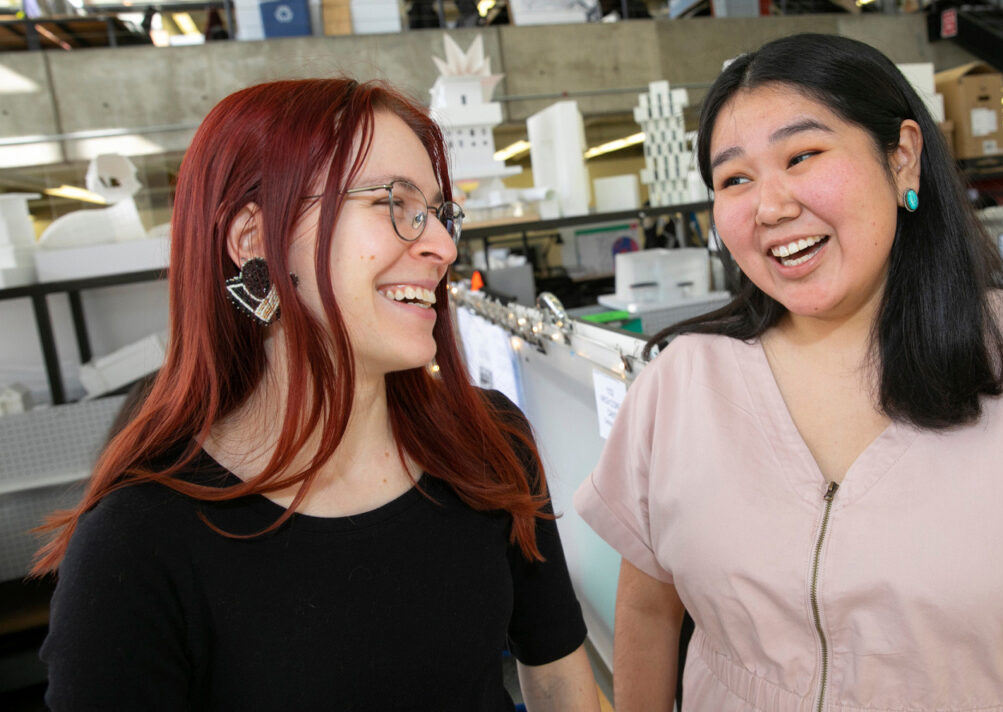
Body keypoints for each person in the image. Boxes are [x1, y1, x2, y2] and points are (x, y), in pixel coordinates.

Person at [575, 34, 1003, 711]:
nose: (770, 205)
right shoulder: (683, 384)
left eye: (802, 155)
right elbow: (645, 614)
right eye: (734, 179)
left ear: (901, 156)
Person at [33, 78, 599, 712]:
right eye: (395, 203)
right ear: (254, 241)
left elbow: (558, 681)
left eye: (440, 213)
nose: (442, 246)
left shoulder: (488, 442)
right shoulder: (138, 545)